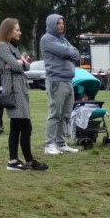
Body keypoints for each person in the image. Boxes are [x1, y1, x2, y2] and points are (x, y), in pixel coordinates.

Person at [0, 18, 47, 171]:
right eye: (17, 30)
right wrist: (18, 63)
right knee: (25, 126)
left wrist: (19, 62)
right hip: (13, 89)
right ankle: (27, 161)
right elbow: (18, 67)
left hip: (19, 88)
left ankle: (15, 161)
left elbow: (27, 65)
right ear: (8, 31)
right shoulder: (2, 47)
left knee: (17, 127)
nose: (20, 32)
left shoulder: (11, 46)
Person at [40, 13, 81, 156]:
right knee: (55, 113)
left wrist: (69, 52)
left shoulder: (62, 39)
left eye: (62, 23)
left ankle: (61, 143)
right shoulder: (47, 39)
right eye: (58, 23)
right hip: (56, 80)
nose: (61, 26)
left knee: (65, 114)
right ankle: (49, 144)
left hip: (68, 80)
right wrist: (69, 52)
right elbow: (65, 51)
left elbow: (76, 53)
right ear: (51, 24)